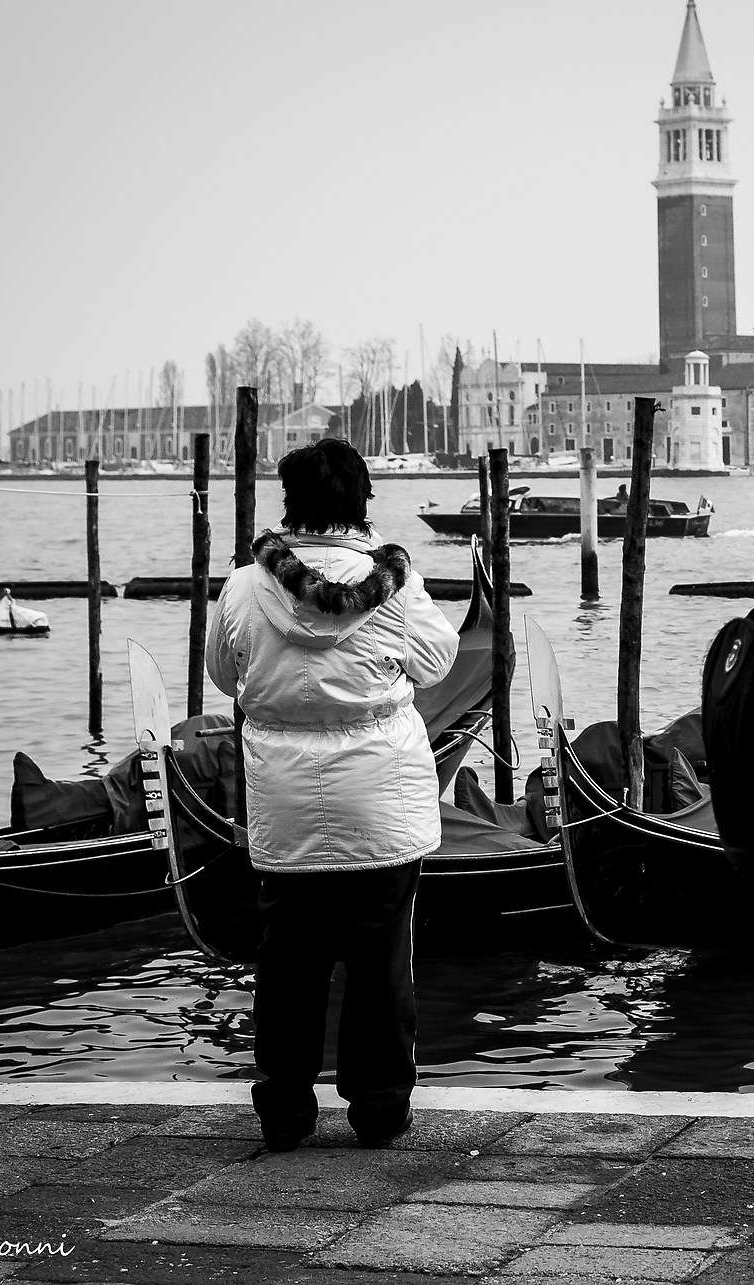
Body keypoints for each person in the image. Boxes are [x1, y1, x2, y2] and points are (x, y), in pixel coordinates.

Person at [206, 438, 460, 1153]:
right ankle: (379, 1109)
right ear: (362, 498)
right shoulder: (393, 584)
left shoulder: (245, 584)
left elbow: (225, 674)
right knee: (380, 960)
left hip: (284, 802)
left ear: (290, 502)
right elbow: (439, 661)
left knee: (288, 960)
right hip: (380, 797)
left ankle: (285, 1112)